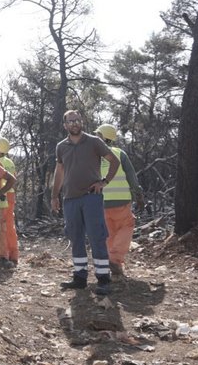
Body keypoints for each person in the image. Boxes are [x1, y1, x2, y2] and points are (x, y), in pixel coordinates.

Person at [51, 110, 120, 295]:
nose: (74, 123)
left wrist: (103, 182)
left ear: (82, 122)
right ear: (65, 125)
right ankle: (80, 278)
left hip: (91, 197)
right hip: (70, 199)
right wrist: (54, 195)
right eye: (70, 121)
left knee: (97, 237)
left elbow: (114, 161)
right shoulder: (61, 147)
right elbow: (59, 172)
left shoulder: (94, 141)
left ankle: (103, 279)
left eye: (77, 120)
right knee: (76, 238)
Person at [94, 124, 146, 277]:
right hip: (121, 200)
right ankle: (115, 260)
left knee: (109, 232)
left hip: (101, 202)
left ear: (102, 138)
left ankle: (110, 259)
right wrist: (139, 194)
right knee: (126, 226)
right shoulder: (119, 153)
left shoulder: (93, 156)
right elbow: (131, 176)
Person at [0, 137, 19, 265]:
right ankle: (14, 255)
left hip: (2, 197)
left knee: (1, 227)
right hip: (11, 196)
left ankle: (3, 255)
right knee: (10, 226)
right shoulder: (10, 162)